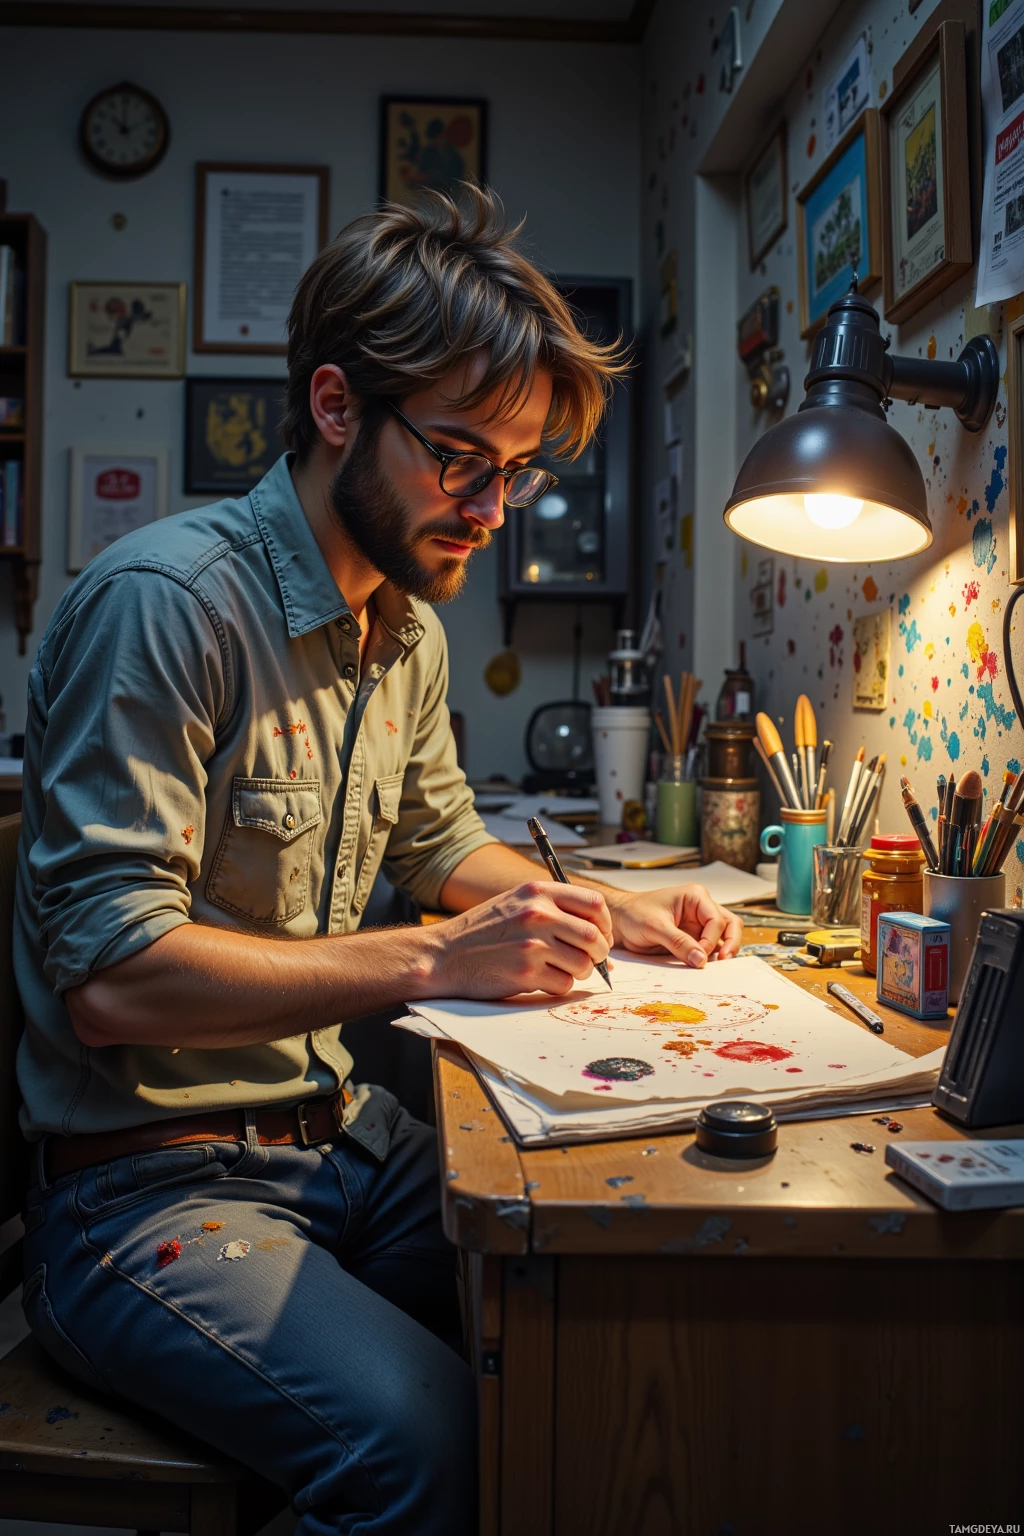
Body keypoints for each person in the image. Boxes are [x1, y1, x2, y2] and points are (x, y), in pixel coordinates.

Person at [14, 186, 742, 1534]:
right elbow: (108, 981)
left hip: (342, 1141)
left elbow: (439, 839)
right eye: (463, 459)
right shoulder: (167, 609)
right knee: (433, 1448)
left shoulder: (403, 627)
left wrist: (609, 908)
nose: (494, 509)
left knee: (604, 1321)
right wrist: (430, 957)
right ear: (338, 406)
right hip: (140, 1187)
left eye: (519, 475)